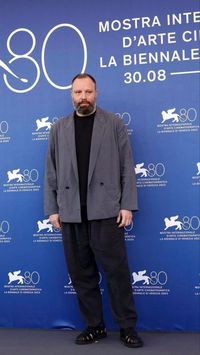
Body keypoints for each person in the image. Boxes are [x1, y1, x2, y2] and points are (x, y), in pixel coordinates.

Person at [44, 73, 143, 348]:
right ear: (71, 95)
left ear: (96, 93)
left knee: (117, 273)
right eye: (78, 92)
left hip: (107, 212)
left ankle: (127, 327)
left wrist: (127, 205)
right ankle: (94, 326)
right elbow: (50, 171)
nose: (83, 97)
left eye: (88, 92)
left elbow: (127, 166)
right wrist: (52, 209)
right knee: (81, 274)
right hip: (71, 213)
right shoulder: (58, 129)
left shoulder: (114, 124)